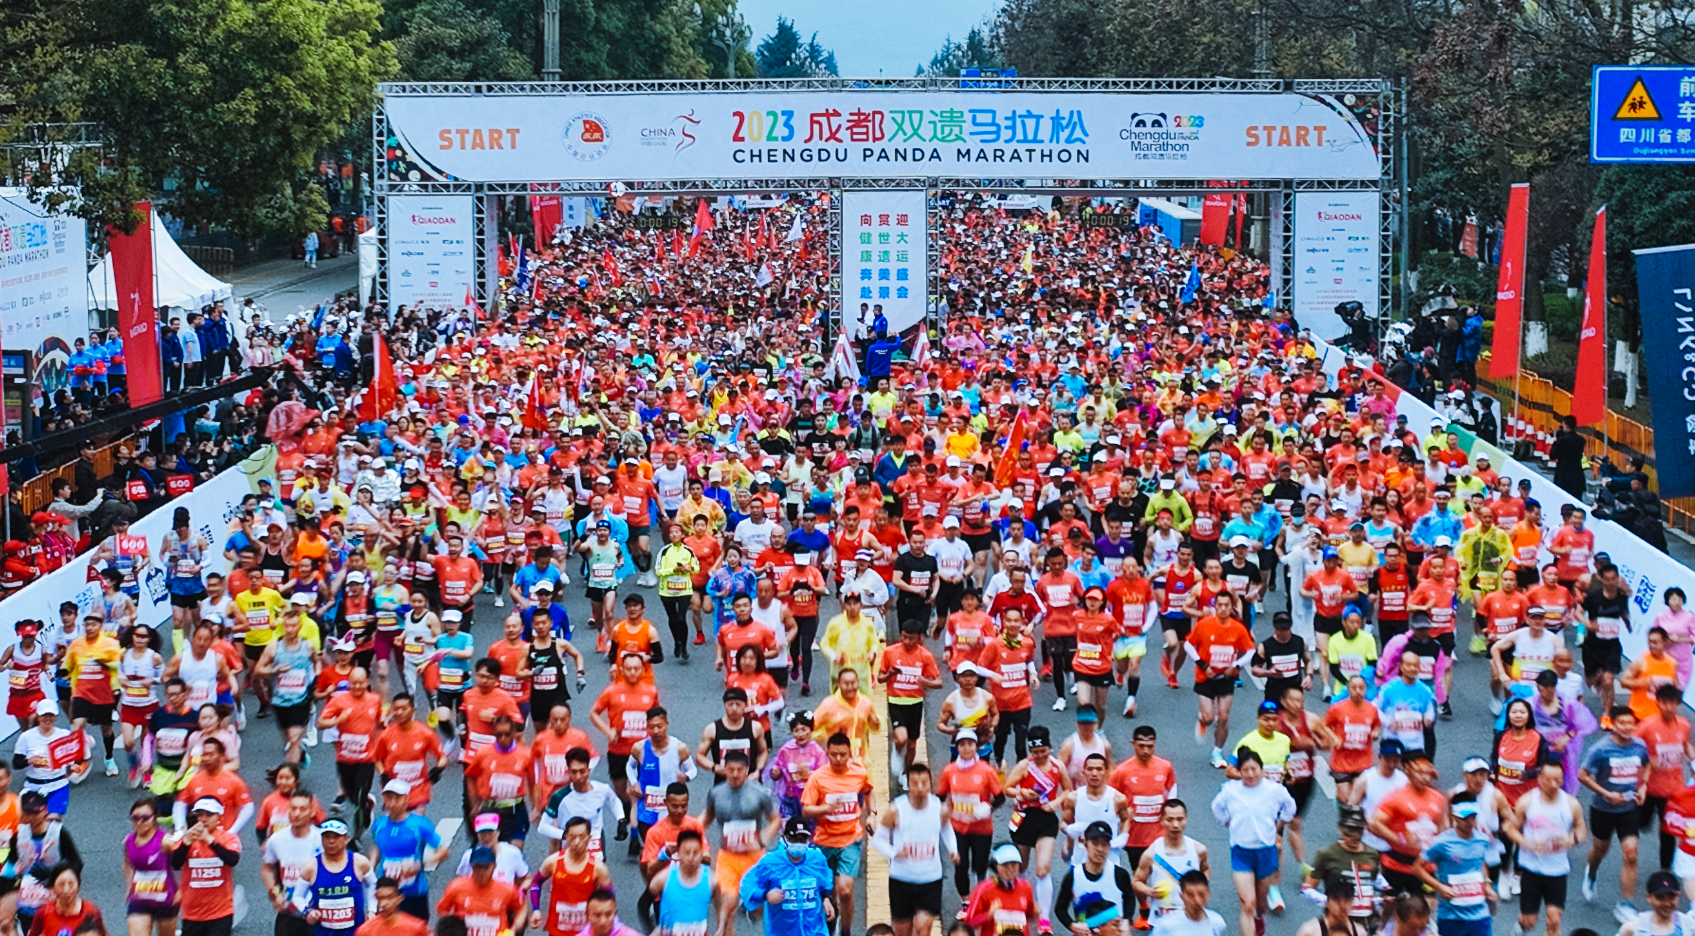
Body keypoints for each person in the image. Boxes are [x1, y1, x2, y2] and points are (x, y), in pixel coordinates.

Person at [1211, 747, 1296, 936]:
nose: (1250, 774)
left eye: (1254, 769)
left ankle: (1259, 919)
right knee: (1247, 903)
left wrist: (1279, 824)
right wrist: (1227, 821)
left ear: (1261, 769)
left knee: (1260, 904)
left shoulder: (1274, 790)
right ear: (1239, 772)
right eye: (1245, 770)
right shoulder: (1230, 790)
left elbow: (1290, 807)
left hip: (1266, 851)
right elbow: (1216, 807)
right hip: (1241, 852)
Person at [1580, 705, 1650, 921]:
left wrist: (1643, 786)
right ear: (1613, 724)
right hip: (1603, 809)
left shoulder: (1639, 746)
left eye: (1631, 723)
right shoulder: (1600, 749)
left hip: (1628, 809)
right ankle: (1591, 874)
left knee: (1631, 854)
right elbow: (1582, 775)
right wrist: (1606, 793)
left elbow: (1647, 765)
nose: (1627, 727)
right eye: (1622, 723)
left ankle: (1625, 904)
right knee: (1599, 850)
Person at [699, 750, 780, 936]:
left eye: (739, 770)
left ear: (746, 771)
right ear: (724, 769)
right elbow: (707, 817)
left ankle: (753, 910)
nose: (735, 774)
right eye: (731, 769)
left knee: (760, 909)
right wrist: (693, 830)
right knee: (728, 906)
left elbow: (775, 819)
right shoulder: (716, 793)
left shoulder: (760, 792)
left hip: (754, 858)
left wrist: (761, 840)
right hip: (727, 858)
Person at [799, 732, 871, 936]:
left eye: (842, 754)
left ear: (849, 754)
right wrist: (826, 809)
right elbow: (806, 810)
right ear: (827, 754)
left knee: (846, 890)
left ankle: (846, 932)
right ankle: (831, 925)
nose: (838, 759)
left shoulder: (859, 773)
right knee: (827, 894)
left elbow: (868, 790)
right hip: (824, 842)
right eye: (833, 755)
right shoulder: (818, 778)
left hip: (850, 840)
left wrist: (871, 814)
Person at [871, 763, 955, 936]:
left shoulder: (939, 808)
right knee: (902, 930)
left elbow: (946, 829)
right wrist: (894, 852)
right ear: (908, 784)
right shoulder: (896, 810)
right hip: (901, 878)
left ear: (931, 783)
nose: (920, 788)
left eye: (924, 783)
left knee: (923, 926)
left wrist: (952, 849)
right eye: (915, 783)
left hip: (930, 878)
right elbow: (878, 840)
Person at [1504, 760, 1585, 936]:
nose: (1554, 784)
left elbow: (1581, 830)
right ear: (1540, 779)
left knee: (1554, 919)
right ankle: (1518, 931)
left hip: (1557, 870)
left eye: (1558, 780)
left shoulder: (1571, 804)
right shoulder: (1527, 801)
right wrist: (1527, 843)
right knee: (1528, 921)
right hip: (1531, 867)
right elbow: (1509, 828)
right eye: (1549, 779)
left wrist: (1571, 839)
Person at [738, 818, 835, 936]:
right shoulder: (770, 863)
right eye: (794, 839)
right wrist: (765, 895)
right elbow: (747, 885)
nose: (798, 843)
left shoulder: (817, 859)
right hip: (782, 931)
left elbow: (825, 881)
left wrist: (826, 898)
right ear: (785, 838)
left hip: (814, 930)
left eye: (802, 839)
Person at [1415, 794, 1496, 936]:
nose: (1469, 821)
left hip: (1480, 914)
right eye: (1464, 817)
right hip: (1451, 916)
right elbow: (1417, 868)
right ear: (1455, 817)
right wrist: (1440, 887)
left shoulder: (1482, 840)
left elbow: (1481, 863)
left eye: (1472, 816)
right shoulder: (1441, 842)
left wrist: (1487, 885)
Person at [937, 728, 1003, 901]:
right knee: (961, 865)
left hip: (982, 828)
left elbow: (1000, 797)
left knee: (980, 865)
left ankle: (981, 894)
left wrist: (988, 808)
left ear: (976, 747)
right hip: (958, 828)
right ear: (957, 747)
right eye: (962, 744)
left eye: (970, 744)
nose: (966, 748)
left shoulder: (986, 771)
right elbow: (941, 796)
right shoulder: (949, 771)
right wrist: (942, 813)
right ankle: (966, 901)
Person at [168, 798, 241, 936]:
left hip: (221, 911)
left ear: (219, 816)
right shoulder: (187, 838)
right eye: (200, 815)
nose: (204, 819)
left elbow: (232, 859)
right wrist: (186, 844)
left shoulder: (228, 838)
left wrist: (209, 840)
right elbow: (175, 864)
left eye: (209, 815)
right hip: (192, 913)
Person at [531, 817, 611, 936]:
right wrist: (536, 910)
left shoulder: (598, 868)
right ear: (566, 837)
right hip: (557, 930)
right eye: (572, 837)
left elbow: (609, 899)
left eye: (582, 836)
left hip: (585, 931)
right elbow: (536, 883)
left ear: (589, 838)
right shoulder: (553, 862)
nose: (577, 841)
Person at [1055, 821, 1137, 936]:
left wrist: (1127, 920)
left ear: (1109, 847)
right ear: (1085, 844)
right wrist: (1072, 925)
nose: (1100, 849)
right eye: (1095, 843)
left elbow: (1130, 898)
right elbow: (1060, 908)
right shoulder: (1073, 877)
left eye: (1104, 844)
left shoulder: (1120, 874)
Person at [296, 819, 375, 936]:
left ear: (346, 838)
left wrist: (371, 910)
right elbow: (297, 896)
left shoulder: (359, 862)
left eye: (336, 837)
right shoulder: (311, 867)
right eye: (327, 837)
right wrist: (307, 911)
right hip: (324, 932)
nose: (331, 841)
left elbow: (373, 884)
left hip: (354, 932)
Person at [433, 846, 525, 936]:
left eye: (485, 867)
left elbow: (522, 907)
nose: (481, 872)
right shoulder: (456, 887)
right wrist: (454, 928)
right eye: (478, 867)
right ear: (471, 866)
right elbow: (442, 909)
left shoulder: (506, 889)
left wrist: (513, 929)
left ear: (494, 866)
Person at [124, 796, 177, 936]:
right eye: (135, 818)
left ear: (154, 818)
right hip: (139, 899)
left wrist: (182, 890)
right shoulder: (129, 841)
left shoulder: (165, 841)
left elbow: (183, 863)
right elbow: (127, 864)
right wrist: (130, 885)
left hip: (165, 900)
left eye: (145, 818)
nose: (140, 822)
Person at [962, 845, 1039, 936]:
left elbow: (1027, 916)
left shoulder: (1026, 887)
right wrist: (988, 915)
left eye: (1014, 864)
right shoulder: (984, 889)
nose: (1010, 869)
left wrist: (1035, 913)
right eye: (1005, 865)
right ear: (995, 866)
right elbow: (968, 924)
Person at [646, 828, 710, 936]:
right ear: (678, 853)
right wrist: (664, 854)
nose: (690, 857)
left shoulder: (711, 880)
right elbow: (650, 871)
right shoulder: (662, 879)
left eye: (695, 853)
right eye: (686, 852)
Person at [26, 866, 104, 936]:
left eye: (71, 884)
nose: (66, 890)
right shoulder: (43, 913)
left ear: (78, 885)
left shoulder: (90, 911)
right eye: (61, 885)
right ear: (53, 887)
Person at [1148, 871, 1227, 936]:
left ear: (1208, 894)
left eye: (1201, 894)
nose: (1197, 900)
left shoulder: (1218, 923)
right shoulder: (1166, 926)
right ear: (1181, 896)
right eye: (1190, 895)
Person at [352, 880, 427, 936]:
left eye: (390, 897)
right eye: (381, 898)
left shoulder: (417, 927)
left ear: (399, 899)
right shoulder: (365, 931)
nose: (385, 903)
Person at [1292, 879, 1358, 936]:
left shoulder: (1359, 932)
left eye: (1347, 900)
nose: (1342, 905)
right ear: (1327, 902)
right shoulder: (1310, 931)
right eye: (1337, 900)